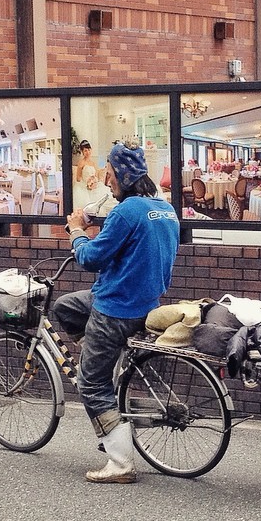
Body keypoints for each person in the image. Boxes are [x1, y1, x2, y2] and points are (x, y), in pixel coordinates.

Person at [53, 140, 180, 484]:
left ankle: (120, 463)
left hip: (115, 309)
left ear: (123, 174)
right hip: (145, 305)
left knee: (90, 382)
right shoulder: (164, 208)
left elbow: (90, 259)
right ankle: (100, 354)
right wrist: (97, 224)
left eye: (110, 174)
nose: (107, 181)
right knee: (64, 305)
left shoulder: (126, 212)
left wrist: (77, 232)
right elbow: (130, 233)